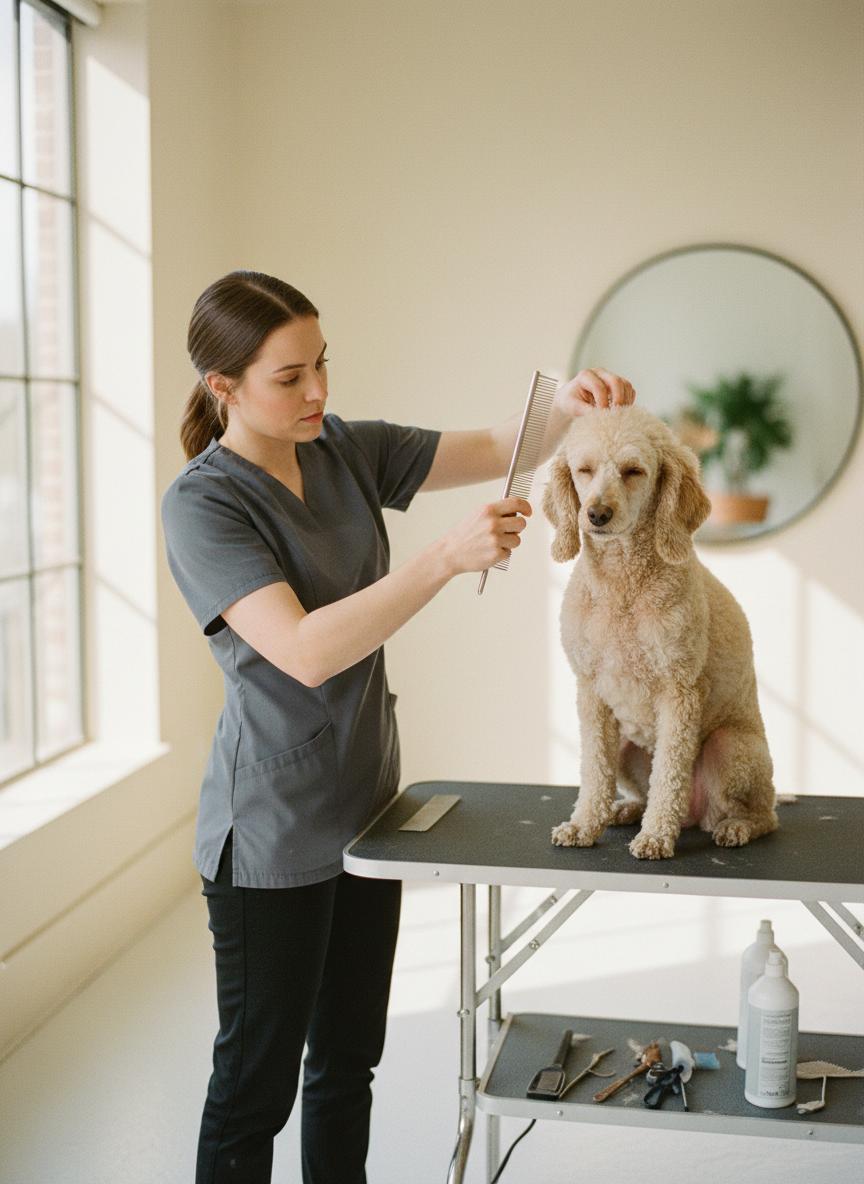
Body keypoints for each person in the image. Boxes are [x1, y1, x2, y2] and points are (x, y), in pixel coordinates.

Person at [160, 269, 635, 1183]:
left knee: (347, 1069)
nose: (318, 392)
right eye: (289, 377)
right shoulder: (203, 504)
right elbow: (301, 650)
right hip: (272, 830)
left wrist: (569, 407)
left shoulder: (343, 448)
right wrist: (445, 560)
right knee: (254, 1089)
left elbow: (504, 443)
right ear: (224, 387)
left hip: (368, 813)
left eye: (321, 365)